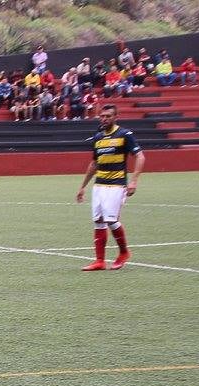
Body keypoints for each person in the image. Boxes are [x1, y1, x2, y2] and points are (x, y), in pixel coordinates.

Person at [76, 104, 145, 271]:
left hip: (116, 185)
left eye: (108, 116)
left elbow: (140, 156)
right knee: (98, 221)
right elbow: (94, 163)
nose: (104, 119)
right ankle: (99, 261)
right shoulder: (98, 137)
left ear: (115, 117)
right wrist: (82, 186)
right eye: (102, 116)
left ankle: (123, 253)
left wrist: (134, 181)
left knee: (111, 220)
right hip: (99, 185)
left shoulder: (124, 135)